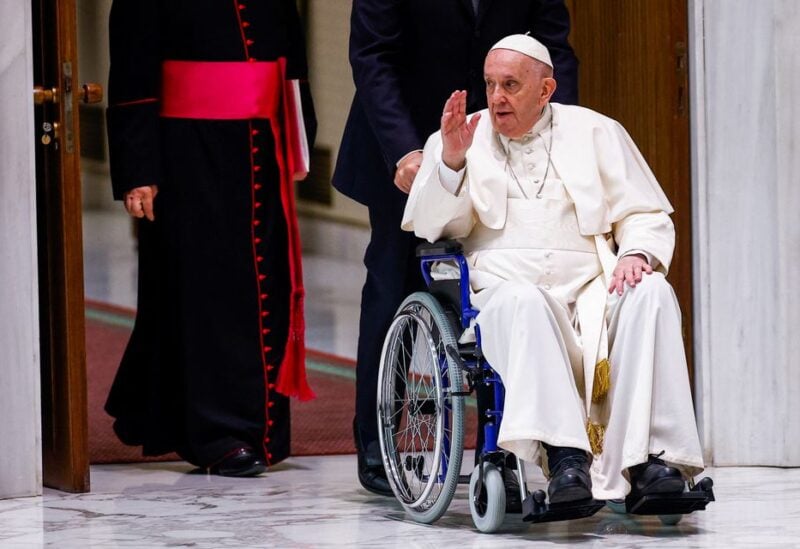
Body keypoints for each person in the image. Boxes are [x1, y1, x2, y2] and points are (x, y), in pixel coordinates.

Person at [401, 34, 704, 502]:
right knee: (525, 300)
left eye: (511, 85)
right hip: (503, 288)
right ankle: (565, 459)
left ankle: (650, 460)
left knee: (652, 292)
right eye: (490, 84)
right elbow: (434, 227)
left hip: (592, 288)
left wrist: (636, 255)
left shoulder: (596, 131)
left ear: (545, 90)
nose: (497, 98)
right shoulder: (464, 137)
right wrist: (453, 161)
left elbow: (645, 214)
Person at [333, 0, 579, 497]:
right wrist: (405, 149)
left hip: (505, 145)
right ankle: (381, 439)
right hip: (403, 143)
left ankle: (532, 442)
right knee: (392, 280)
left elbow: (556, 51)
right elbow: (373, 56)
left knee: (515, 276)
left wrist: (562, 136)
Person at [104, 0, 316, 477]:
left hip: (262, 146)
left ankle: (260, 428)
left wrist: (298, 138)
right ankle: (217, 433)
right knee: (208, 292)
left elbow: (292, 59)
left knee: (266, 287)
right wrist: (139, 170)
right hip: (189, 155)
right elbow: (133, 70)